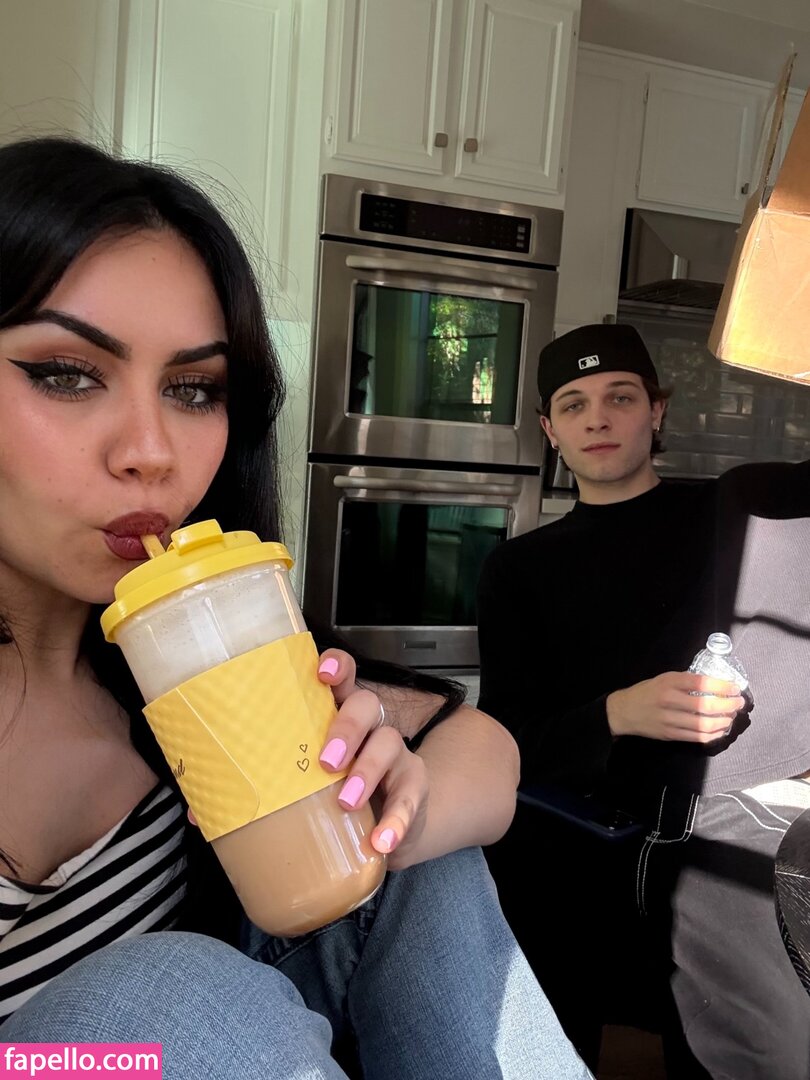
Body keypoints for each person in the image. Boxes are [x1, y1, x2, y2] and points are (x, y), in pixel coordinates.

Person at [0, 136, 593, 1080]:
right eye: (65, 373)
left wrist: (391, 811)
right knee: (172, 997)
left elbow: (483, 746)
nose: (152, 451)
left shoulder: (181, 653)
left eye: (193, 389)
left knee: (392, 835)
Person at [477, 322, 810, 1079]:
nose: (597, 418)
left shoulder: (735, 515)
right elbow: (508, 739)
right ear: (549, 429)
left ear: (657, 411)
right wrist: (617, 713)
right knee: (553, 1054)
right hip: (570, 855)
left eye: (621, 397)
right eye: (574, 404)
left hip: (720, 845)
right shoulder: (518, 569)